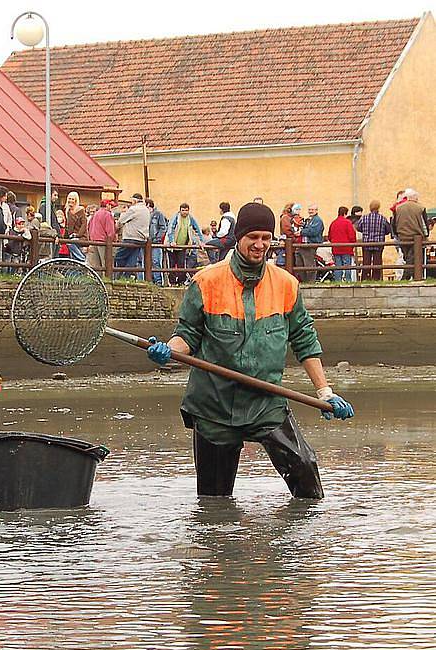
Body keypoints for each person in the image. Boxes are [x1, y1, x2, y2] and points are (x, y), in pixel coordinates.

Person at [145, 202, 354, 499]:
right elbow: (187, 336)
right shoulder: (205, 282)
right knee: (214, 501)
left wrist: (325, 392)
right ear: (238, 237)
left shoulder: (286, 285)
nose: (259, 245)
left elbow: (304, 341)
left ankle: (303, 541)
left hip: (265, 400)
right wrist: (168, 350)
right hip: (214, 404)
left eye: (265, 238)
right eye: (252, 237)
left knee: (305, 470)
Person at [393, 189, 428, 280]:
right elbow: (424, 224)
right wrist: (426, 235)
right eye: (417, 197)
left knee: (407, 258)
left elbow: (394, 223)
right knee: (412, 259)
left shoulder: (398, 208)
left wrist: (397, 234)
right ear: (414, 197)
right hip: (416, 237)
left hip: (402, 237)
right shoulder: (420, 208)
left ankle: (410, 276)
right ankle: (407, 277)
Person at [114, 193, 150, 279]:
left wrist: (122, 214)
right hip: (142, 238)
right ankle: (126, 277)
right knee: (132, 259)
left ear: (134, 200)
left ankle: (119, 276)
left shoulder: (133, 209)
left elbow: (121, 221)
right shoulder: (146, 210)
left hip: (131, 237)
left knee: (118, 256)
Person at [166, 203, 203, 285]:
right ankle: (172, 282)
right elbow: (170, 229)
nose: (185, 212)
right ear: (180, 210)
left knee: (181, 264)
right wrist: (172, 241)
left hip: (182, 246)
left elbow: (197, 229)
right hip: (172, 246)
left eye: (186, 210)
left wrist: (201, 241)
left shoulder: (190, 219)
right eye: (183, 210)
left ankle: (181, 281)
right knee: (172, 264)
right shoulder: (175, 218)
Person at [355, 200, 390, 280]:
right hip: (378, 243)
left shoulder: (364, 218)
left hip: (366, 243)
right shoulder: (382, 218)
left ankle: (365, 278)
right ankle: (376, 278)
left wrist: (365, 231)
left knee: (366, 262)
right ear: (378, 207)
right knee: (377, 262)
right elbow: (388, 230)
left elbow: (358, 227)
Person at [328, 207, 357, 281]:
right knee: (347, 266)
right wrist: (352, 245)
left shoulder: (333, 223)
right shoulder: (348, 223)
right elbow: (352, 236)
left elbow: (330, 236)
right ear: (345, 213)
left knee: (338, 266)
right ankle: (348, 281)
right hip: (346, 248)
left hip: (336, 248)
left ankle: (338, 281)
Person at [87, 199, 116, 272]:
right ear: (107, 205)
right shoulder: (107, 214)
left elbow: (89, 227)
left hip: (93, 241)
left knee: (95, 265)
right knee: (106, 264)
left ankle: (96, 281)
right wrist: (113, 240)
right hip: (103, 242)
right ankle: (106, 281)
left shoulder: (95, 214)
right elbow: (110, 231)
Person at [146, 198, 168, 284]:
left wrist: (157, 238)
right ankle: (150, 280)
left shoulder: (158, 214)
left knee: (156, 261)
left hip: (155, 242)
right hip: (146, 242)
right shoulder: (145, 215)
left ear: (148, 205)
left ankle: (158, 281)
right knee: (147, 262)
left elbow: (163, 228)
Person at [301, 203, 325, 279]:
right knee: (302, 264)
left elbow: (313, 231)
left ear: (316, 210)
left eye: (312, 210)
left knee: (310, 264)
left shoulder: (317, 220)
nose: (310, 211)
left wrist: (301, 232)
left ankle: (311, 281)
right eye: (309, 210)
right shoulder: (309, 220)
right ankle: (304, 280)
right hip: (306, 244)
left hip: (312, 244)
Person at [64, 191, 87, 261]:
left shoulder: (81, 210)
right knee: (73, 255)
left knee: (70, 243)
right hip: (71, 237)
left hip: (81, 236)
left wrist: (78, 235)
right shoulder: (68, 211)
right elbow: (68, 226)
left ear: (76, 200)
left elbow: (84, 224)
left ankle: (82, 259)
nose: (71, 201)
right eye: (69, 198)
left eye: (72, 199)